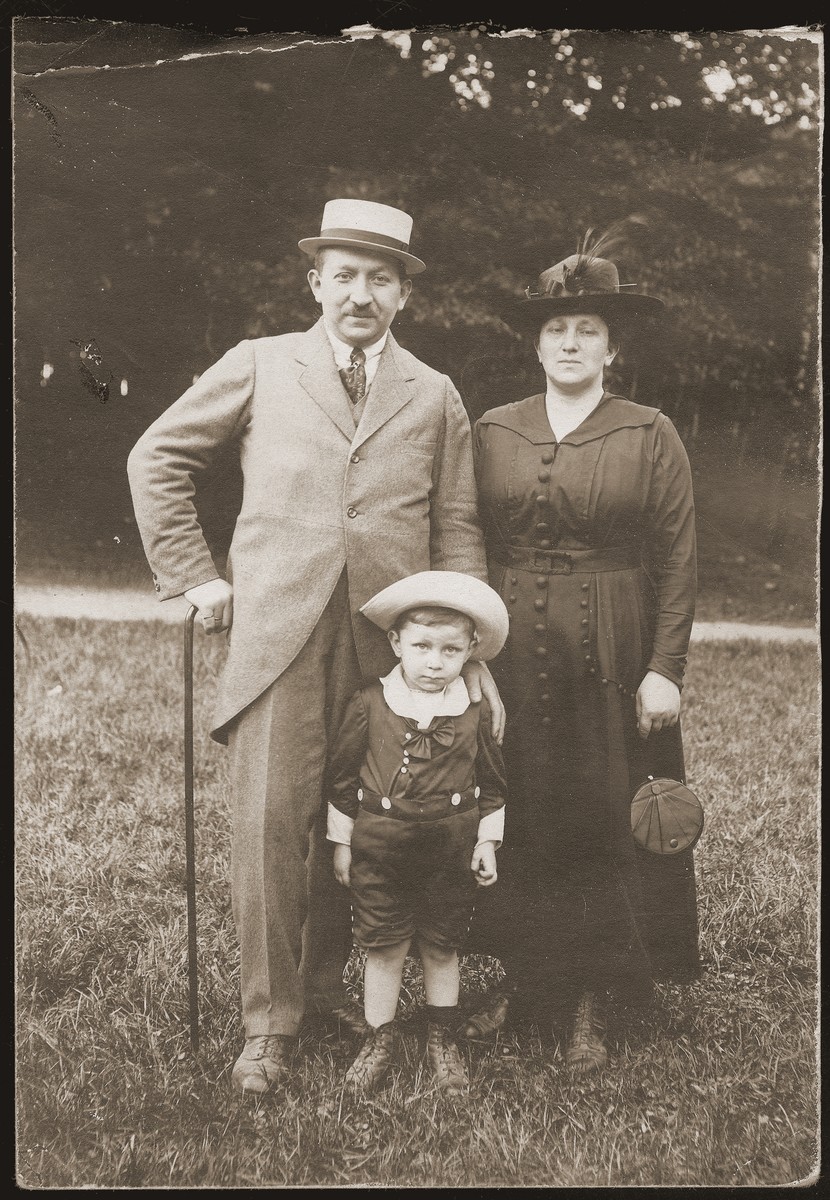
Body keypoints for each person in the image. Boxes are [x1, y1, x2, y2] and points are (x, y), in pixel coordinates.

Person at [127, 198, 505, 1096]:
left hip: (392, 649)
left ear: (404, 294)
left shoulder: (434, 392)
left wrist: (465, 643)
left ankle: (333, 992)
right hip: (277, 637)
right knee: (271, 827)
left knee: (370, 824)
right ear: (315, 283)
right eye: (344, 275)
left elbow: (454, 524)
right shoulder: (260, 365)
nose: (360, 294)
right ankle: (269, 1023)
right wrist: (192, 576)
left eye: (381, 278)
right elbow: (157, 457)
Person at [462, 233, 700, 1073]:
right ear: (537, 340)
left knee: (605, 811)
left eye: (588, 328)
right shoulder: (494, 427)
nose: (570, 342)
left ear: (613, 347)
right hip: (515, 647)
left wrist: (664, 667)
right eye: (557, 327)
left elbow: (676, 560)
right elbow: (467, 536)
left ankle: (597, 999)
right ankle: (531, 982)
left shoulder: (650, 431)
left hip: (615, 646)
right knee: (519, 807)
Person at [326, 571, 509, 1096]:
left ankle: (442, 1040)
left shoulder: (472, 711)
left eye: (451, 650)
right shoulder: (370, 702)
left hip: (450, 850)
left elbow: (493, 786)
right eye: (422, 646)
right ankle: (378, 1040)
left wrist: (486, 842)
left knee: (442, 944)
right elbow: (341, 781)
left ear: (471, 651)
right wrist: (343, 845)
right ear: (395, 643)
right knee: (384, 946)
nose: (434, 662)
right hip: (380, 849)